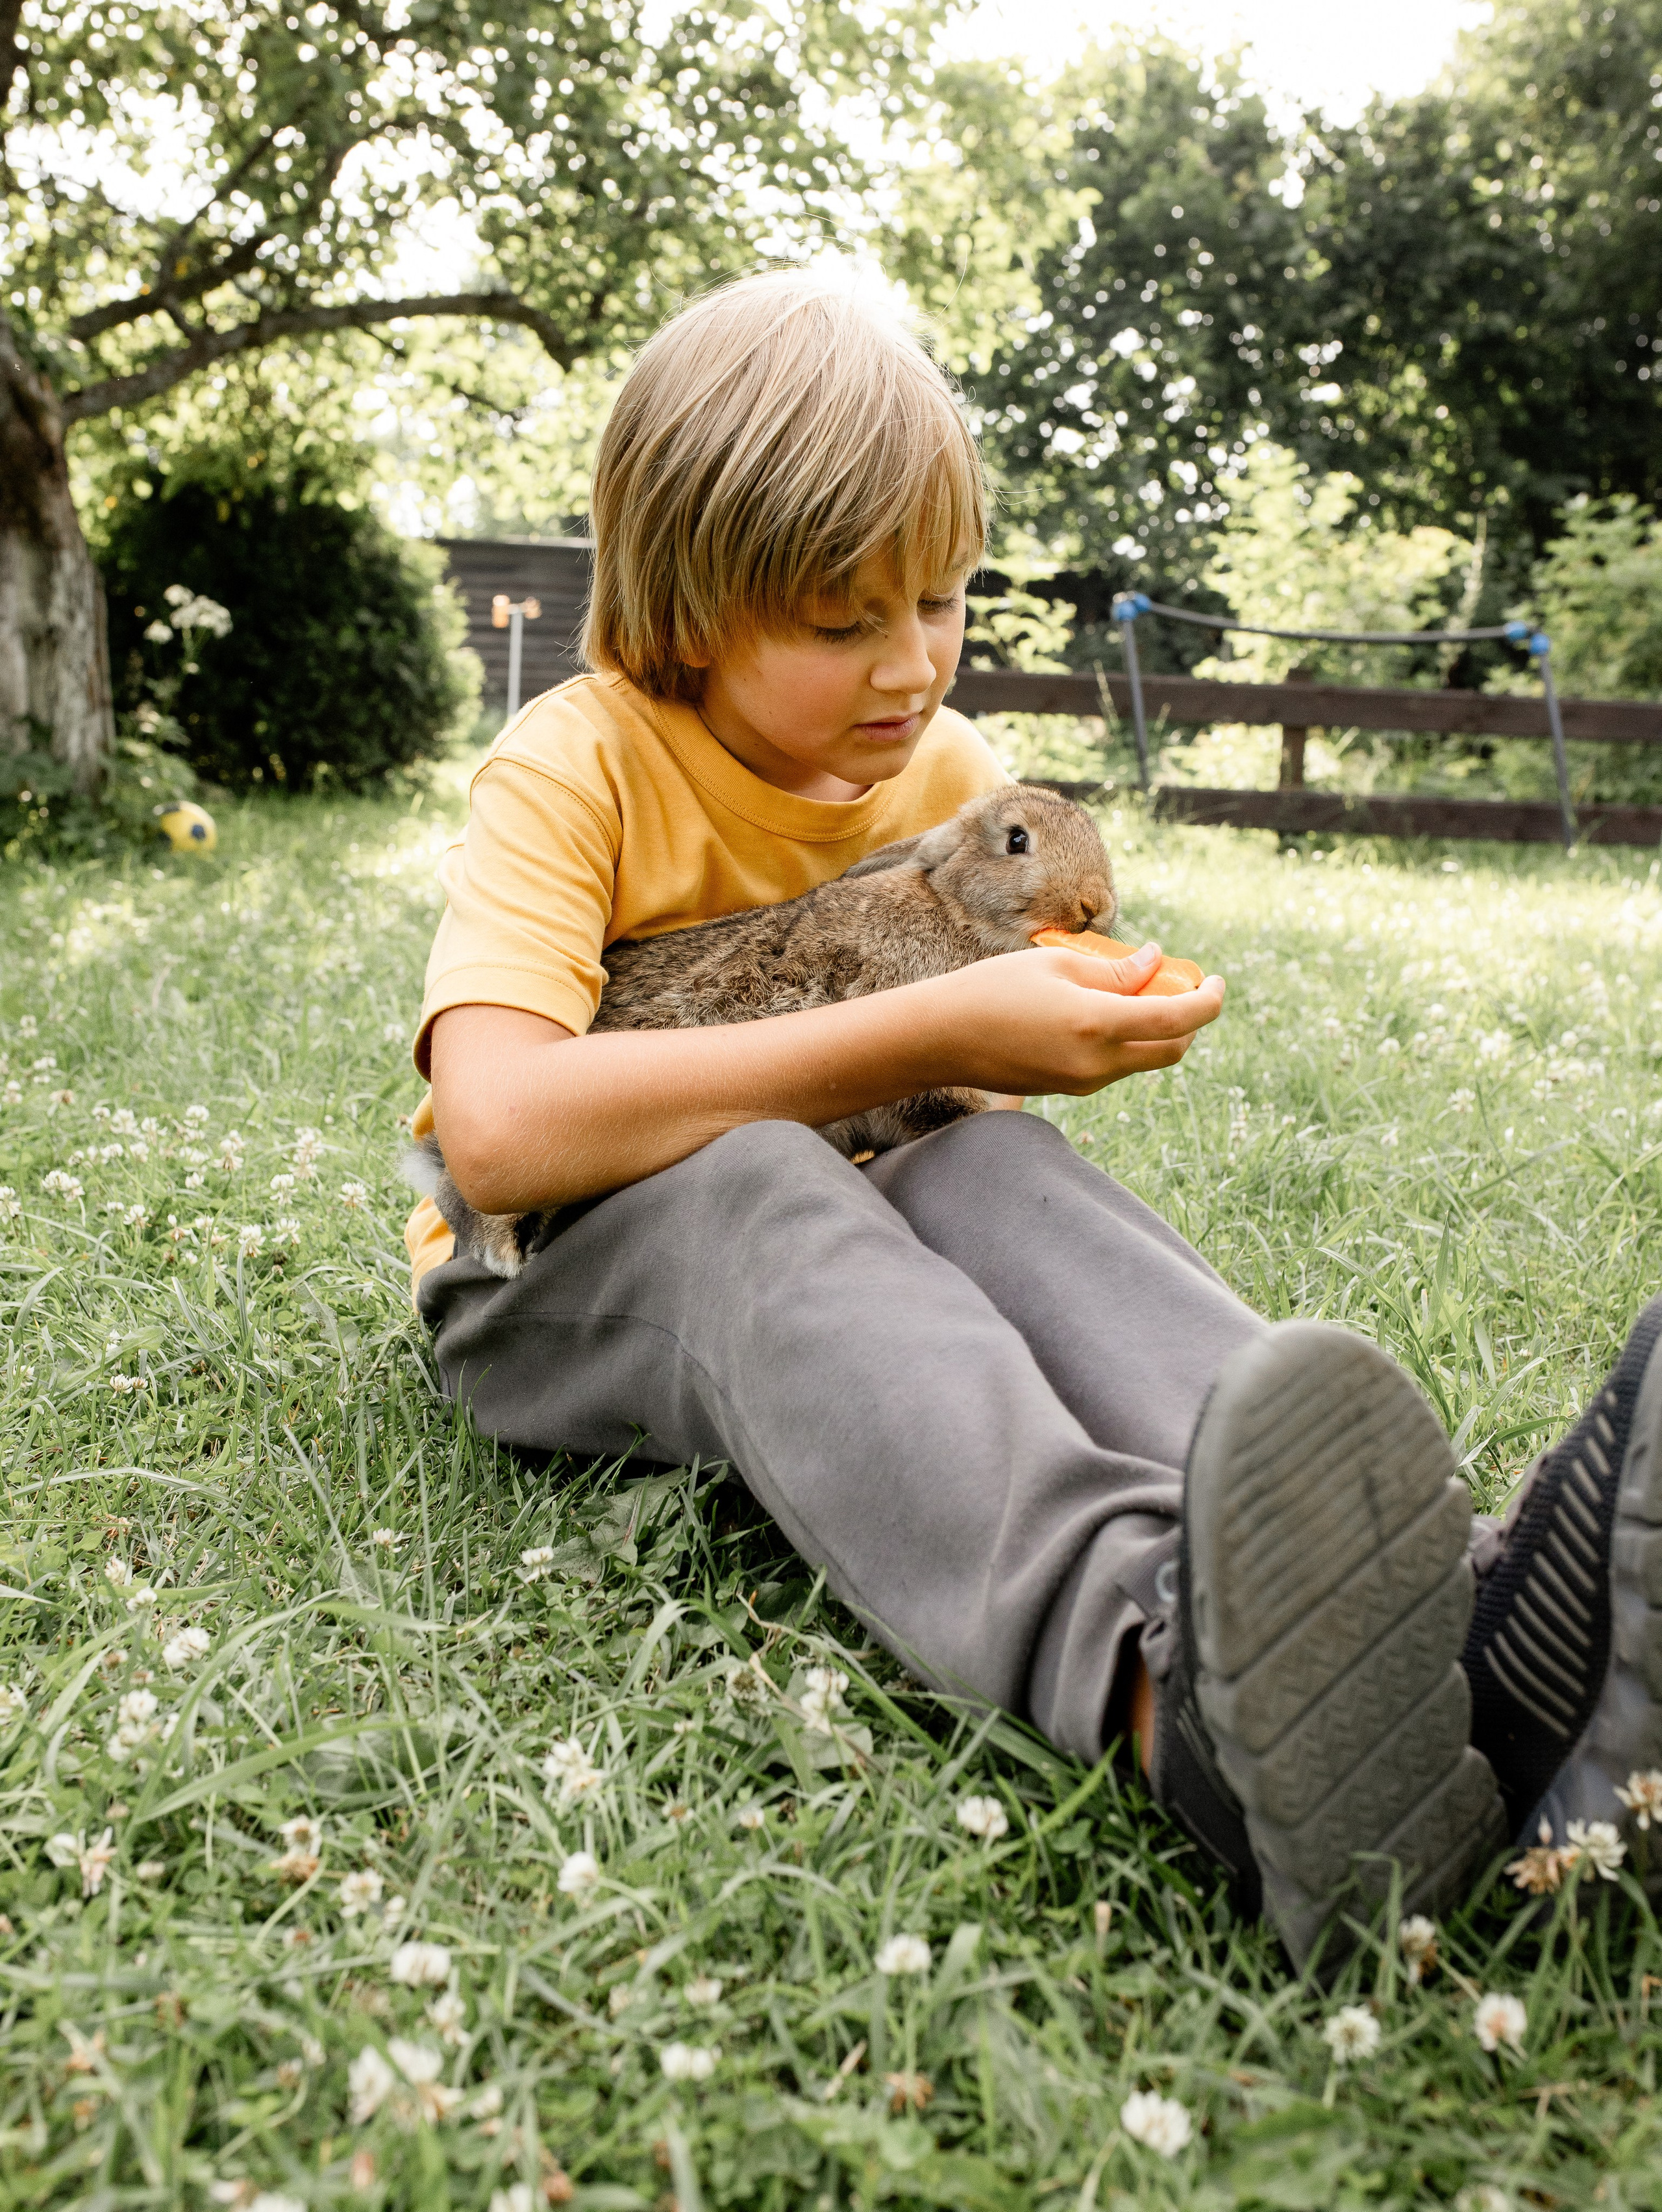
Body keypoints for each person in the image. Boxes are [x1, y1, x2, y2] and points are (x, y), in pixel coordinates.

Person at [405, 271, 1662, 1966]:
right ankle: (1176, 1698)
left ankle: (1454, 1612)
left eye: (943, 599)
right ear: (693, 609)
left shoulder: (953, 780)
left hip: (852, 1186)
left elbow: (949, 1125)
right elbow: (493, 1134)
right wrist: (918, 1023)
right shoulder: (579, 764)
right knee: (770, 1181)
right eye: (843, 622)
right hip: (549, 1280)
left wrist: (1020, 1045)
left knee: (986, 1159)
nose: (913, 664)